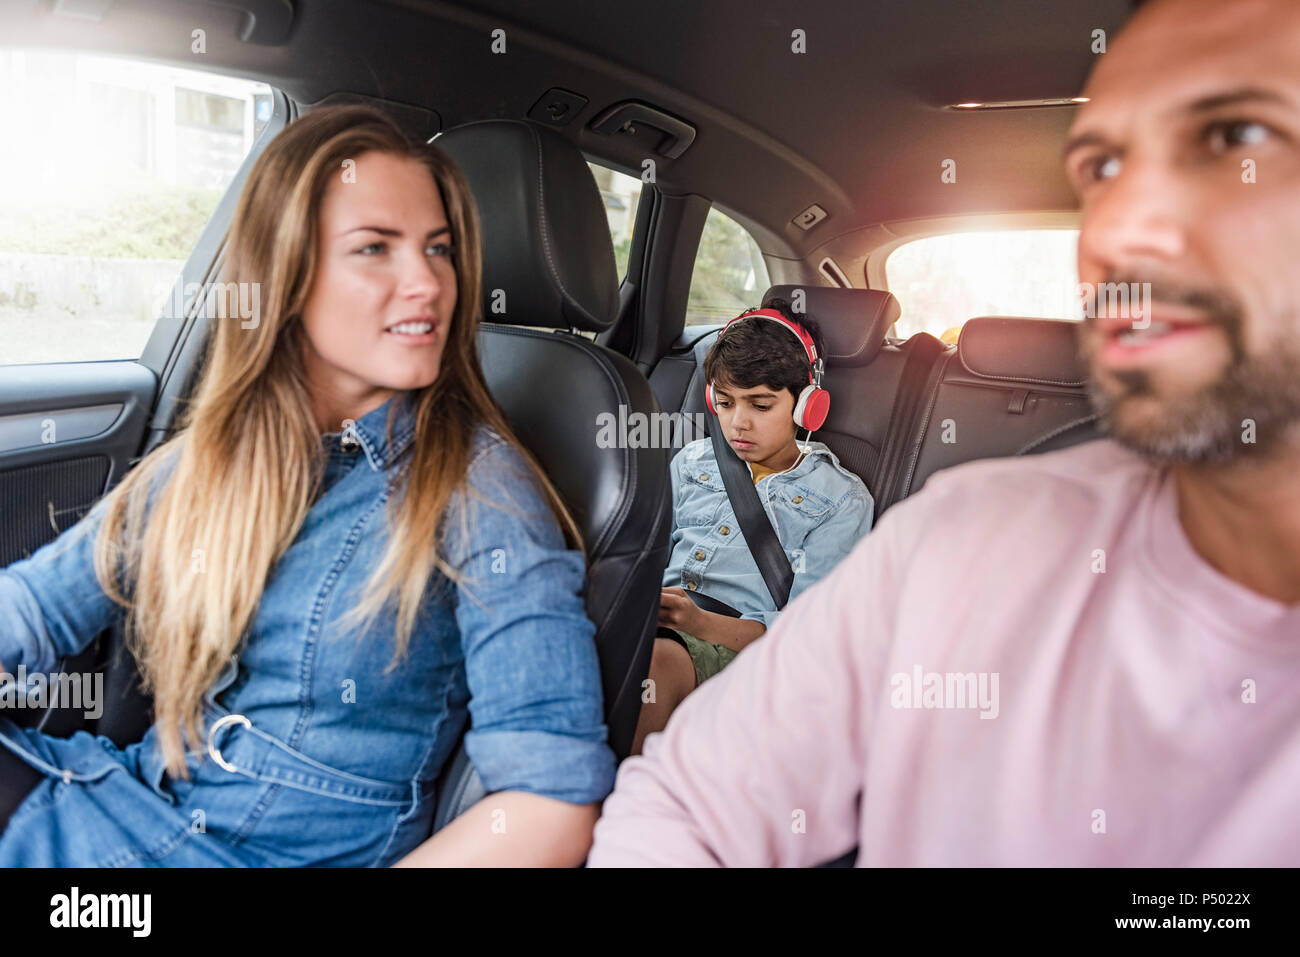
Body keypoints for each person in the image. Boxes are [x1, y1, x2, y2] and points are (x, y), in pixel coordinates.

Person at [590, 0, 1300, 866]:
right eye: (1102, 168)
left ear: (806, 406)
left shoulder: (844, 503)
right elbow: (687, 807)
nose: (1119, 230)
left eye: (1236, 138)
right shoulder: (959, 536)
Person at [0, 104, 615, 867]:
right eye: (375, 249)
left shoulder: (479, 492)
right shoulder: (214, 459)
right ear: (286, 277)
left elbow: (549, 804)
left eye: (439, 249)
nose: (426, 281)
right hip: (113, 808)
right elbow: (29, 610)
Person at [631, 299, 873, 755]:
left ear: (807, 406)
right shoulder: (692, 461)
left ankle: (611, 818)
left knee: (656, 664)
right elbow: (643, 554)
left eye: (760, 405)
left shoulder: (841, 500)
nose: (737, 423)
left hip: (738, 649)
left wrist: (700, 623)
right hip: (649, 623)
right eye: (724, 403)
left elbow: (809, 635)